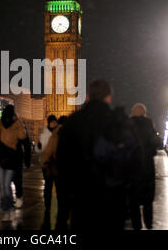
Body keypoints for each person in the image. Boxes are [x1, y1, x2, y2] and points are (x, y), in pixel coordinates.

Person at [57, 79, 139, 231]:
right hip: (112, 203)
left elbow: (62, 166)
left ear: (88, 96)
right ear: (109, 97)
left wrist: (64, 207)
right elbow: (134, 163)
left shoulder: (72, 122)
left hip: (81, 202)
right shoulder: (117, 122)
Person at [0, 105, 26, 222]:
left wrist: (19, 122)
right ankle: (6, 211)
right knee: (3, 188)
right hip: (0, 160)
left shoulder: (17, 125)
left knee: (6, 186)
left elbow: (23, 136)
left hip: (11, 160)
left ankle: (10, 209)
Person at [128, 103, 160, 230]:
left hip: (132, 168)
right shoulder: (148, 123)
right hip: (147, 168)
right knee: (148, 200)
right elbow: (156, 143)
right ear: (144, 113)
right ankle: (149, 223)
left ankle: (137, 226)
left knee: (133, 201)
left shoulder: (127, 124)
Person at [41, 115, 68, 230]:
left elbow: (48, 151)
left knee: (49, 187)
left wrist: (44, 163)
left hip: (54, 166)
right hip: (66, 168)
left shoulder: (54, 134)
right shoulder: (72, 133)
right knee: (62, 190)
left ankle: (48, 207)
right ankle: (63, 210)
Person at [37, 115, 58, 213]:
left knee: (58, 186)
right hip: (47, 164)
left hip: (57, 163)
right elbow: (39, 149)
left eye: (55, 122)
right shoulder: (44, 135)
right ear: (49, 123)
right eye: (52, 122)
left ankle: (60, 205)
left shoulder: (59, 132)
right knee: (48, 185)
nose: (54, 124)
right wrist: (39, 147)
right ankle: (47, 206)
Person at [12, 132, 32, 208]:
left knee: (17, 180)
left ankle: (19, 197)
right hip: (8, 159)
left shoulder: (19, 128)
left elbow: (27, 145)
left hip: (16, 158)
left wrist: (27, 160)